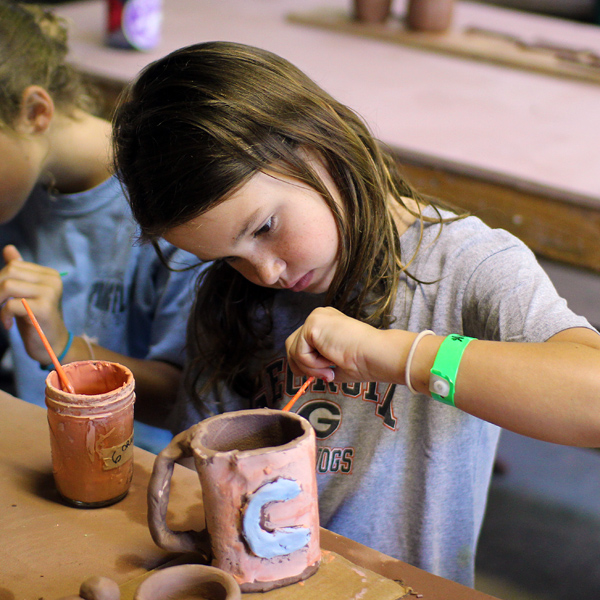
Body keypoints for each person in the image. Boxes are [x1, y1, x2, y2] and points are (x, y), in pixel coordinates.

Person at [111, 41, 600, 586]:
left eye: (265, 228)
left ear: (318, 145)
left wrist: (398, 354)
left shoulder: (468, 266)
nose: (265, 273)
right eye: (228, 255)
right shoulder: (231, 298)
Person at [0, 1, 199, 453]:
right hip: (28, 453)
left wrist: (63, 345)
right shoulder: (14, 194)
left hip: (132, 474)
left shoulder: (172, 207)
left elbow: (184, 401)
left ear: (35, 112)